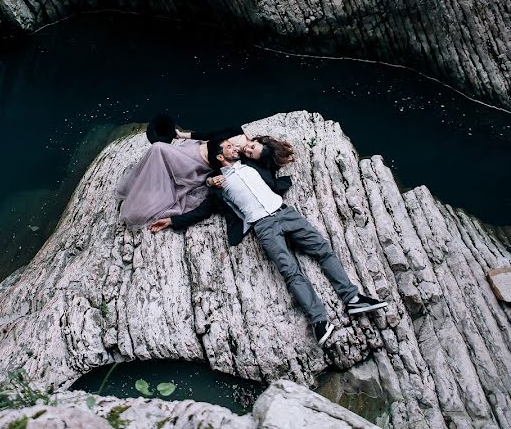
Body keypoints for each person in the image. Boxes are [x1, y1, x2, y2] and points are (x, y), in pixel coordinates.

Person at [149, 138, 387, 346]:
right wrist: (173, 221)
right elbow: (202, 211)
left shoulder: (253, 164)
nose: (235, 146)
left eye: (234, 144)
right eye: (229, 146)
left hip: (285, 212)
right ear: (221, 157)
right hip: (263, 226)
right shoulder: (217, 183)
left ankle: (353, 299)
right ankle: (320, 322)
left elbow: (262, 150)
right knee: (291, 271)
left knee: (323, 250)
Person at [114, 115, 247, 227]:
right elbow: (208, 135)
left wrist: (211, 181)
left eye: (248, 148)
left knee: (158, 148)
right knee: (158, 157)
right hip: (190, 149)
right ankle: (142, 184)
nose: (241, 147)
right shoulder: (234, 130)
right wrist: (183, 135)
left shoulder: (241, 155)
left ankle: (149, 196)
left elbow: (221, 172)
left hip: (195, 165)